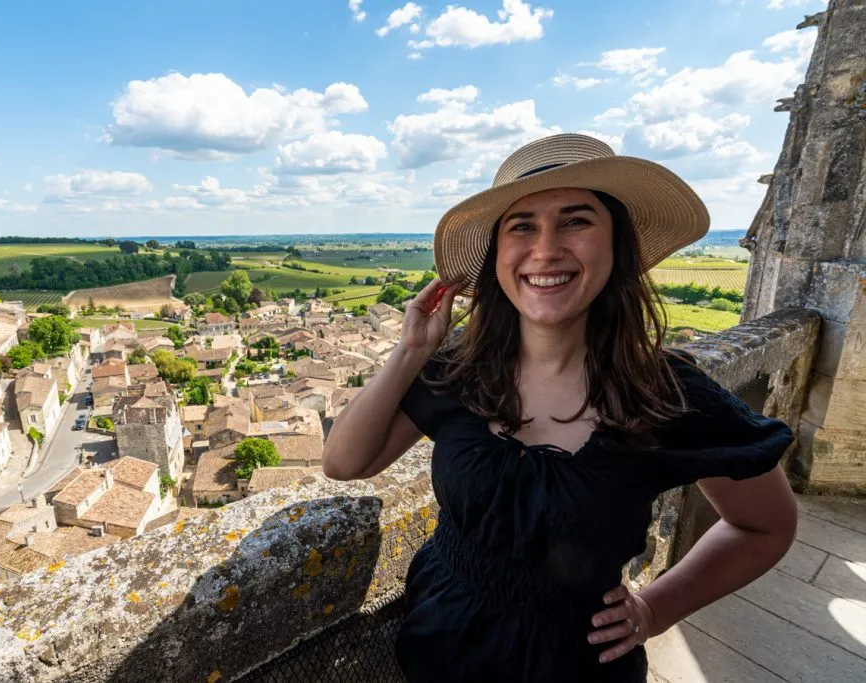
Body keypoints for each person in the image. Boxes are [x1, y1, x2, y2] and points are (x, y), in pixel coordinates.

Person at [322, 134, 798, 682]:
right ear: (497, 255)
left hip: (580, 666)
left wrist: (656, 610)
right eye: (521, 225)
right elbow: (344, 462)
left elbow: (764, 526)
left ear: (617, 245)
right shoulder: (458, 371)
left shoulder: (667, 392)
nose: (545, 250)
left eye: (576, 221)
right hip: (440, 645)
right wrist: (410, 351)